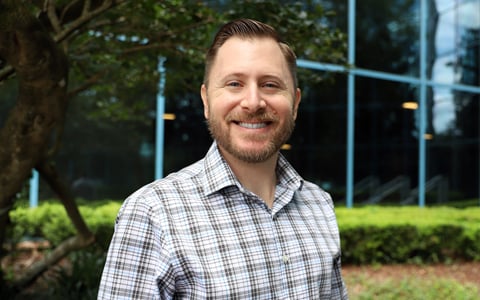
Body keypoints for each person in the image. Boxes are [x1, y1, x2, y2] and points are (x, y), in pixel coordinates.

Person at [98, 18, 348, 299]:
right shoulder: (152, 214)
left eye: (270, 84)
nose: (253, 102)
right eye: (234, 83)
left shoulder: (319, 204)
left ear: (295, 103)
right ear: (206, 101)